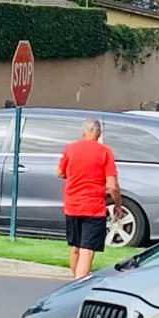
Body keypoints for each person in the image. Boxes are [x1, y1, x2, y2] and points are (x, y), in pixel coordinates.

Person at [56, 116, 122, 279]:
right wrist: (117, 205)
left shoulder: (70, 149)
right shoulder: (105, 152)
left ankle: (75, 279)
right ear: (98, 134)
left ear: (83, 132)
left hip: (72, 204)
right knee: (87, 249)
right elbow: (112, 185)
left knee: (75, 247)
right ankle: (80, 283)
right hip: (94, 207)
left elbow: (59, 172)